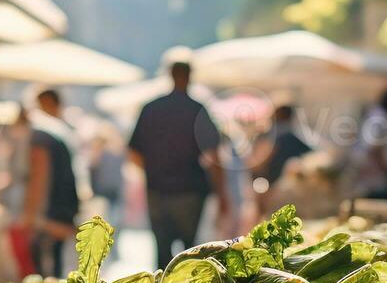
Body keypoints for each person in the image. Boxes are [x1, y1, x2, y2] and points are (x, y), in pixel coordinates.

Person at [128, 53, 232, 263]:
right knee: (191, 253)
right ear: (189, 76)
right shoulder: (197, 109)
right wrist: (222, 194)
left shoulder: (151, 109)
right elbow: (214, 156)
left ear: (170, 75)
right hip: (190, 191)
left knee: (162, 253)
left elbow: (133, 152)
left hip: (157, 190)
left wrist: (152, 171)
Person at [19, 91, 81, 277]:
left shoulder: (41, 135)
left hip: (49, 216)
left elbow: (40, 176)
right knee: (55, 271)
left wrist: (30, 215)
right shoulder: (57, 131)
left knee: (46, 276)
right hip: (59, 212)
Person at [256, 103, 310, 186]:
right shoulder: (299, 133)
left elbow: (264, 157)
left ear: (278, 115)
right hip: (294, 182)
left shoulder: (275, 134)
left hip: (275, 181)